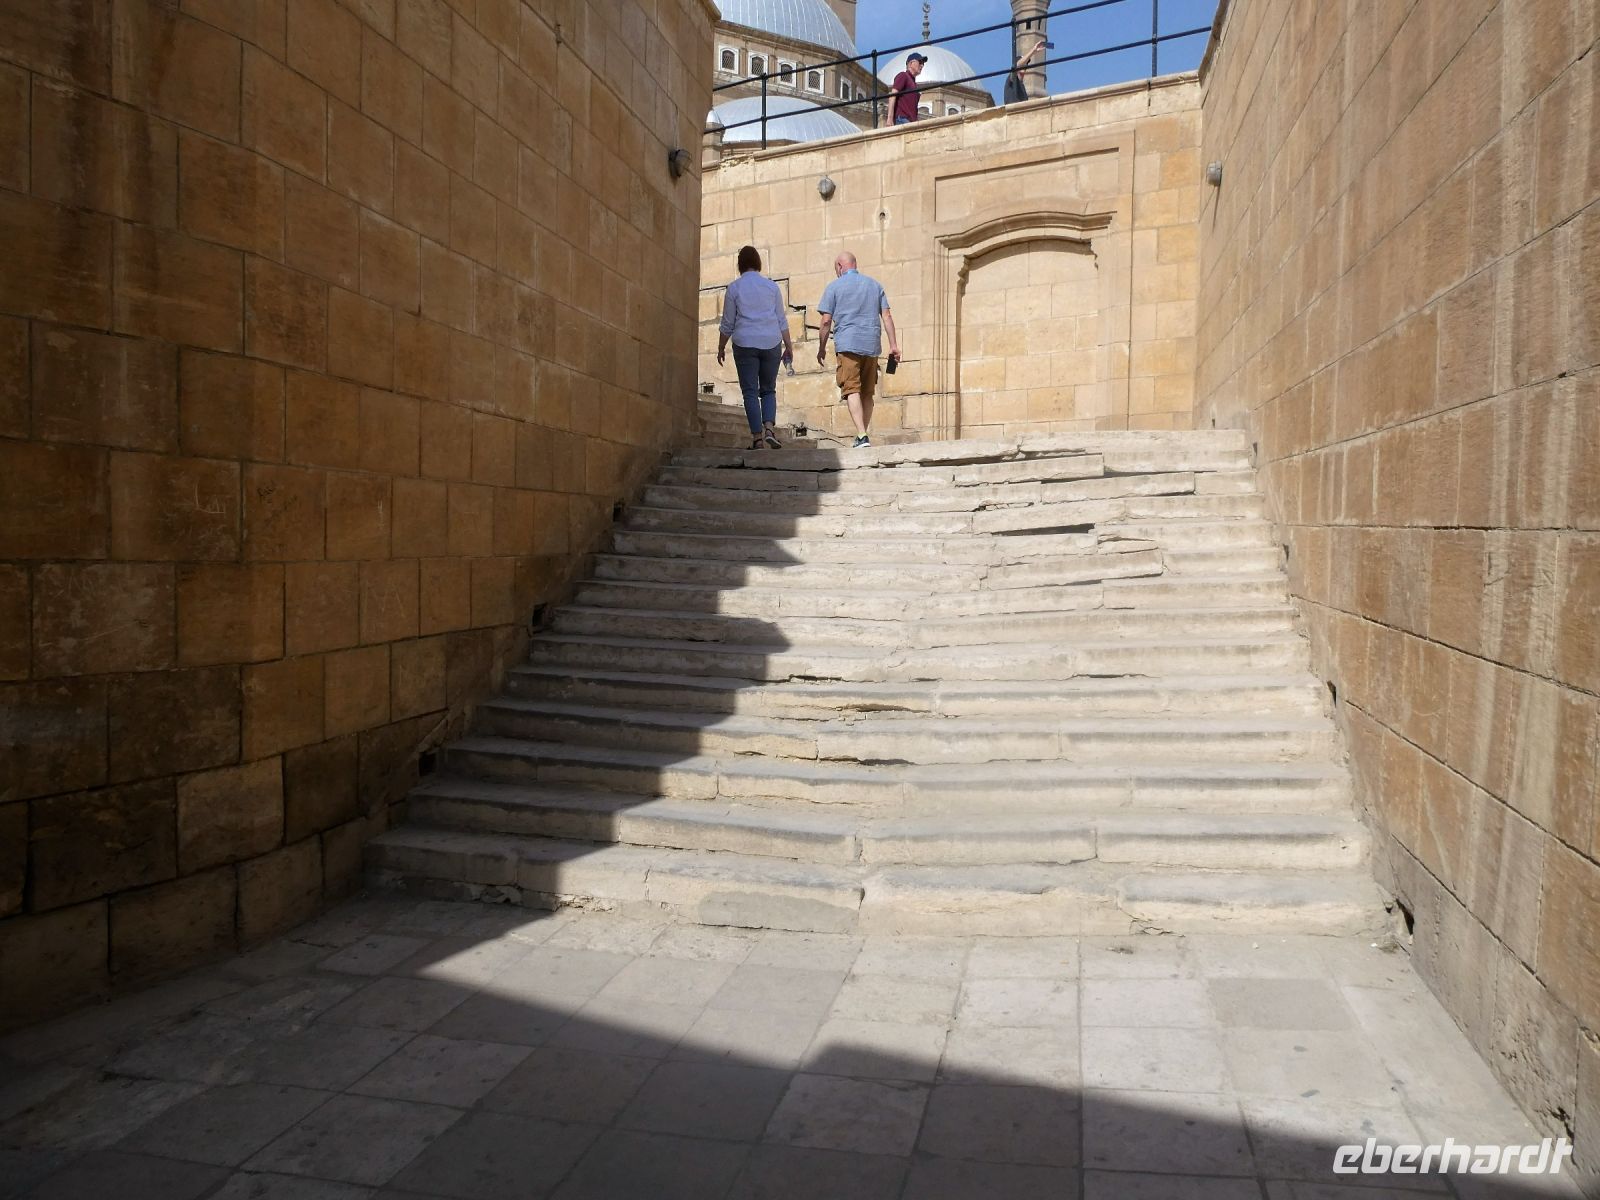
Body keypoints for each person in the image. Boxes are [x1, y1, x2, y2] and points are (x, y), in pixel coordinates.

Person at [816, 251, 899, 449]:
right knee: (867, 392)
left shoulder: (834, 287)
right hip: (871, 345)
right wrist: (894, 345)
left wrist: (821, 347)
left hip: (847, 344)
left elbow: (826, 321)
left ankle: (862, 434)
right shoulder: (875, 285)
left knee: (851, 388)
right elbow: (886, 316)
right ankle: (862, 435)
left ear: (839, 266)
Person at [717, 245, 793, 449]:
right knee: (768, 390)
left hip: (744, 343)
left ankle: (757, 439)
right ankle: (769, 428)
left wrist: (721, 347)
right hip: (771, 342)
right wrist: (789, 345)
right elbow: (781, 320)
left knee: (750, 392)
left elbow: (727, 323)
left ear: (740, 265)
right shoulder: (771, 287)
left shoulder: (734, 288)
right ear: (758, 262)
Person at [887, 52, 926, 126]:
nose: (922, 65)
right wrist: (890, 118)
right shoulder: (903, 76)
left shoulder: (913, 84)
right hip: (902, 119)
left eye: (923, 63)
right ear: (911, 63)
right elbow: (893, 95)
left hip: (910, 121)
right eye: (920, 62)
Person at [1004, 40, 1046, 105]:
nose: (1025, 65)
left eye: (1026, 64)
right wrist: (1033, 50)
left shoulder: (1022, 87)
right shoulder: (1012, 78)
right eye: (1024, 63)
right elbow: (1016, 65)